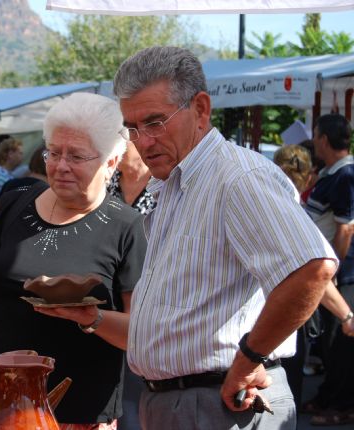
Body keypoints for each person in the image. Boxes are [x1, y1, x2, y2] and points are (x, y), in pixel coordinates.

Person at [115, 46, 337, 430]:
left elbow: (313, 268)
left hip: (221, 406)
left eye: (154, 122)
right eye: (132, 128)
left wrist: (248, 359)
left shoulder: (237, 178)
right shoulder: (175, 184)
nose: (142, 142)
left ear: (200, 109)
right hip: (187, 404)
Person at [0, 92, 147, 429]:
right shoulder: (15, 202)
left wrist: (91, 317)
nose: (61, 165)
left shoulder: (127, 227)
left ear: (110, 162)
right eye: (54, 152)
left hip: (76, 413)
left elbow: (141, 330)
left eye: (76, 156)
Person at [273, 144, 354, 417]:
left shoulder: (278, 208)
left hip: (259, 320)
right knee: (282, 396)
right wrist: (346, 316)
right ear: (309, 178)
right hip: (284, 318)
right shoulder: (296, 214)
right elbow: (315, 272)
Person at [303, 113, 354, 426]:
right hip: (327, 272)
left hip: (341, 275)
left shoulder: (345, 174)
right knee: (328, 342)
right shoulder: (332, 172)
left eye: (316, 135)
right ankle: (328, 395)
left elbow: (346, 228)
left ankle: (343, 404)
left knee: (340, 344)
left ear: (324, 139)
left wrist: (333, 266)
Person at [105, 141, 155, 430]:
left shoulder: (164, 183)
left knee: (138, 394)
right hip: (107, 296)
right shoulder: (107, 181)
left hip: (149, 296)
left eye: (125, 136)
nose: (119, 143)